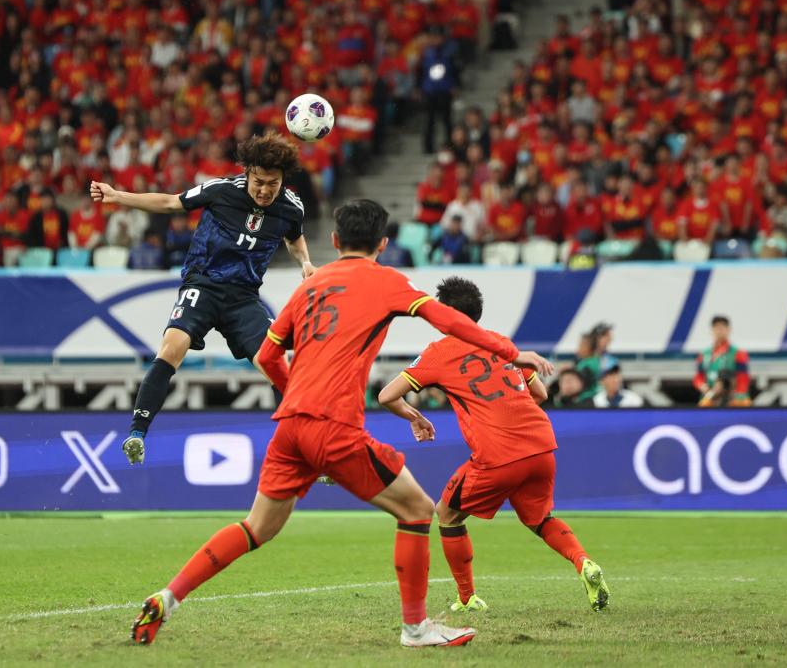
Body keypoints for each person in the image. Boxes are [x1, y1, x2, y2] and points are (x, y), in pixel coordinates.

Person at [129, 200, 554, 647]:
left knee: (257, 526)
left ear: (334, 241)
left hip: (291, 425)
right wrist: (510, 352)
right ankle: (415, 629)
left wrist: (296, 397)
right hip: (332, 423)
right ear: (383, 244)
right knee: (417, 510)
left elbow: (270, 356)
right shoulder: (387, 281)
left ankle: (168, 597)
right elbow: (448, 319)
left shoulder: (310, 285)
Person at [376, 276, 609, 614]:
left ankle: (467, 599)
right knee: (539, 518)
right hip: (542, 446)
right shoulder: (501, 342)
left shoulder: (439, 352)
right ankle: (583, 561)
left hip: (498, 455)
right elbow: (541, 393)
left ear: (447, 314)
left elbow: (386, 396)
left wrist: (415, 417)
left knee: (447, 514)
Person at [89, 131, 316, 464]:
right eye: (258, 182)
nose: (265, 190)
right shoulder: (222, 190)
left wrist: (305, 262)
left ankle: (306, 449)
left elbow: (294, 240)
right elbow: (170, 202)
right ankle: (137, 433)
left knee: (277, 365)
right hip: (204, 285)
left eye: (273, 183)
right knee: (172, 347)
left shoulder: (291, 207)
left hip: (243, 298)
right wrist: (116, 195)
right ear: (247, 173)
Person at [693, 316, 751, 406]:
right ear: (712, 330)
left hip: (734, 399)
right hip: (711, 398)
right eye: (716, 328)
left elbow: (743, 378)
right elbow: (698, 376)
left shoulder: (738, 353)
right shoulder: (704, 354)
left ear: (729, 330)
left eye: (722, 328)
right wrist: (703, 387)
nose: (719, 331)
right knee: (704, 405)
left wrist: (737, 396)